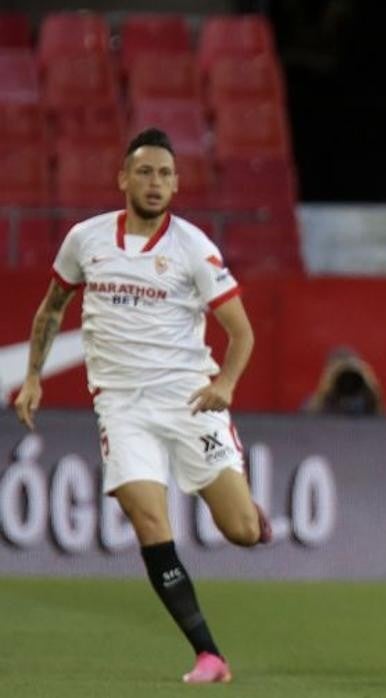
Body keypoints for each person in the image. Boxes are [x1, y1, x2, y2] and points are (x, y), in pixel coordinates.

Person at [12, 128, 271, 684]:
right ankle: (209, 654)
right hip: (122, 406)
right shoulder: (86, 239)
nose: (156, 183)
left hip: (189, 400)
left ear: (176, 185)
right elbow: (51, 308)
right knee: (149, 520)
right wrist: (33, 378)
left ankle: (252, 516)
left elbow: (242, 333)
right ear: (123, 178)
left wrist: (225, 383)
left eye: (165, 174)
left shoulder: (195, 248)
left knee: (242, 530)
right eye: (145, 172)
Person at [304, 346, 385, 416]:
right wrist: (322, 395)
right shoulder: (317, 400)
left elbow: (382, 422)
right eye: (339, 371)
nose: (346, 379)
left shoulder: (368, 399)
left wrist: (374, 392)